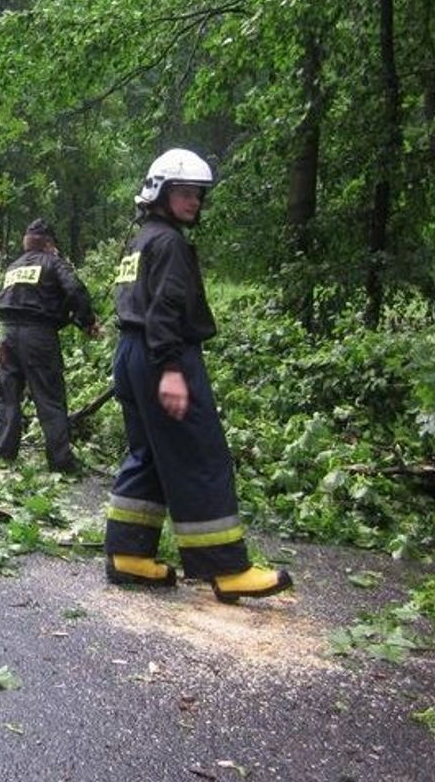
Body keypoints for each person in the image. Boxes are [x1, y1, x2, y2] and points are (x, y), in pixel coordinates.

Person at [104, 148, 292, 602]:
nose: (194, 202)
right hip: (161, 355)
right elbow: (166, 307)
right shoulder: (168, 243)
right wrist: (171, 368)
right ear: (160, 192)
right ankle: (227, 569)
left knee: (148, 454)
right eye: (185, 193)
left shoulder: (141, 239)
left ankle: (127, 554)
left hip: (131, 352)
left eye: (198, 195)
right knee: (200, 456)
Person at [0, 219, 100, 474]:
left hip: (6, 336)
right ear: (49, 244)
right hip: (37, 337)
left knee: (8, 395)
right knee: (49, 397)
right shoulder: (53, 262)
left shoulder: (13, 266)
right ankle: (61, 461)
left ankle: (3, 452)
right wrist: (88, 321)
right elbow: (74, 289)